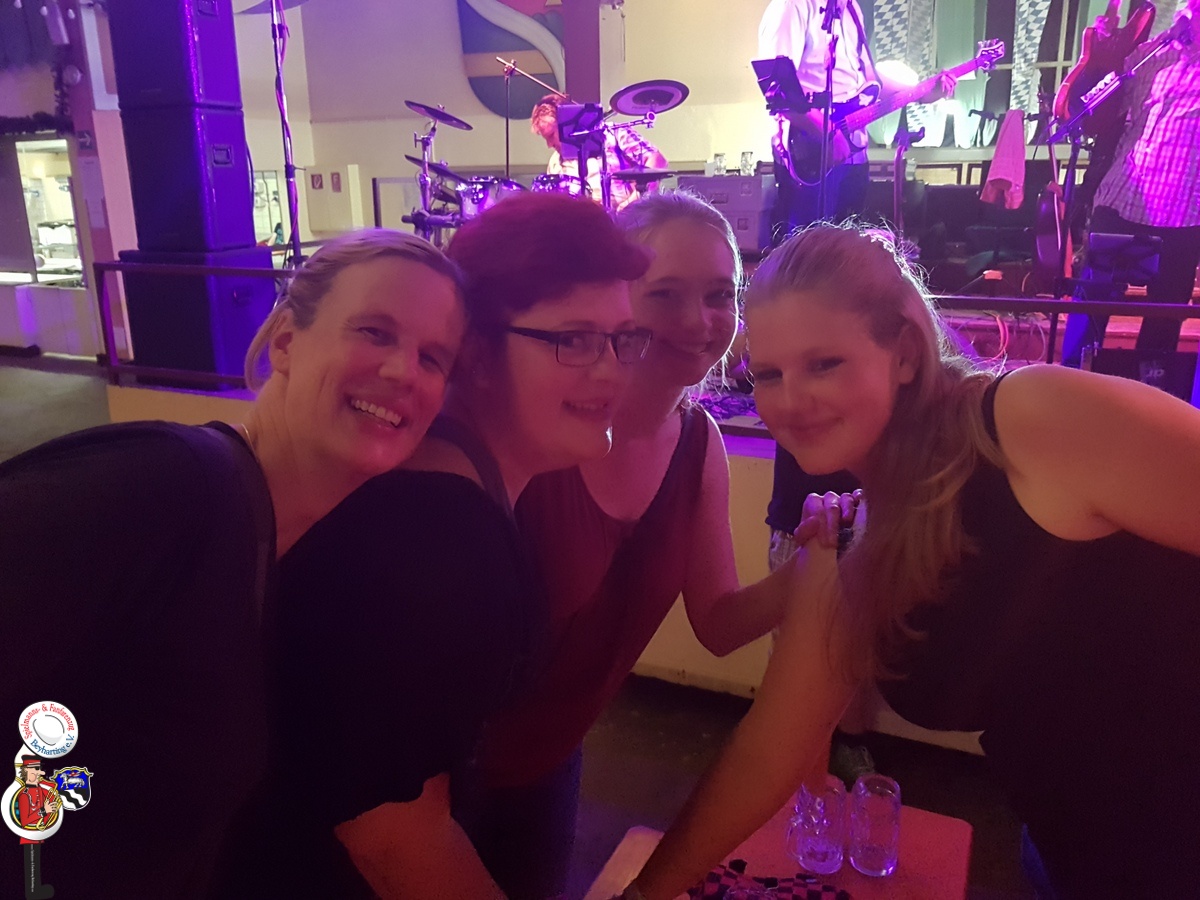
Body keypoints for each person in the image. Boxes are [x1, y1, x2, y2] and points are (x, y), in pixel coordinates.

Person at [619, 223, 1200, 899]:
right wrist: (645, 893)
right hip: (1075, 851)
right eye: (769, 375)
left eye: (824, 364)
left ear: (902, 353)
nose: (790, 401)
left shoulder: (1025, 420)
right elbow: (770, 751)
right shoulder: (859, 538)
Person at [0, 229, 466, 899]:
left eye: (433, 358)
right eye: (374, 332)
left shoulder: (276, 543)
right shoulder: (165, 486)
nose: (403, 372)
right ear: (286, 342)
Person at [217, 191, 653, 898]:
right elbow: (391, 837)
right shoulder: (443, 539)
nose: (610, 371)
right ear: (477, 357)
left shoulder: (454, 487)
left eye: (622, 339)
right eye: (573, 340)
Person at [455, 190, 806, 899]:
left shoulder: (699, 443)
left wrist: (826, 560)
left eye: (719, 294)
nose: (698, 321)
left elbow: (718, 623)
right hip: (445, 775)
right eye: (665, 293)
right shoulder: (539, 429)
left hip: (551, 764)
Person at [1061, 0, 1200, 366]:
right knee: (1092, 304)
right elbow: (1091, 114)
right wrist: (1099, 59)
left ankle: (1148, 392)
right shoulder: (1152, 54)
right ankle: (1072, 379)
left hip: (1184, 213)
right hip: (1123, 198)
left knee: (1164, 322)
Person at [531, 93, 668, 212]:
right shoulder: (555, 161)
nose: (549, 145)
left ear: (566, 123)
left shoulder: (614, 133)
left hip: (627, 221)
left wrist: (633, 201)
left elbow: (657, 161)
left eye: (551, 136)